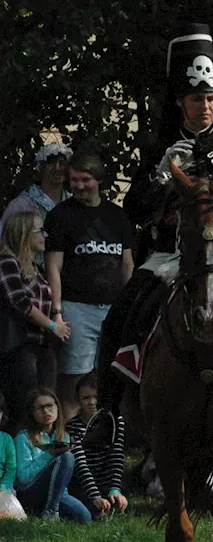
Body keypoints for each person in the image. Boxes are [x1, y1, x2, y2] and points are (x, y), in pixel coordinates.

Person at [83, 23, 213, 450]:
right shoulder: (161, 148)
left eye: (211, 98)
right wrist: (160, 176)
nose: (204, 107)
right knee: (123, 313)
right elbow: (133, 208)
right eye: (196, 99)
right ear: (181, 102)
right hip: (171, 258)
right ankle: (108, 413)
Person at [42, 151, 135, 414]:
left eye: (85, 180)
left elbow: (127, 264)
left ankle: (107, 439)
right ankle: (69, 443)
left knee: (112, 375)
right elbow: (53, 266)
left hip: (114, 308)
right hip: (76, 308)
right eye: (74, 180)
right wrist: (57, 312)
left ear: (99, 180)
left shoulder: (116, 217)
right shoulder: (61, 215)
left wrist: (128, 305)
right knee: (74, 378)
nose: (79, 186)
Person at [0, 211, 69, 412]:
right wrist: (53, 326)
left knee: (47, 406)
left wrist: (58, 325)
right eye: (39, 230)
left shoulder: (35, 267)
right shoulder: (7, 261)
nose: (45, 235)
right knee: (25, 408)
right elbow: (19, 301)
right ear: (23, 234)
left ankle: (41, 444)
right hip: (19, 347)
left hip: (42, 345)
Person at [13, 387, 90, 522]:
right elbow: (23, 478)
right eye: (40, 408)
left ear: (57, 407)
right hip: (30, 492)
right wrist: (48, 454)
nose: (46, 411)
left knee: (84, 517)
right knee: (66, 457)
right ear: (32, 412)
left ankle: (50, 507)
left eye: (50, 406)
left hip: (58, 493)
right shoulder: (23, 437)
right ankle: (51, 512)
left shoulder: (63, 436)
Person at [68, 373, 127, 516]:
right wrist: (95, 496)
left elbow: (117, 455)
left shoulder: (115, 421)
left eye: (96, 397)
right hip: (84, 486)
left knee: (118, 507)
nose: (92, 402)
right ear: (78, 400)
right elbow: (80, 464)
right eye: (86, 398)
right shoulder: (73, 426)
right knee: (93, 512)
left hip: (107, 482)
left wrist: (115, 488)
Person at [2, 141, 72, 238]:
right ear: (41, 167)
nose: (57, 168)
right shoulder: (22, 204)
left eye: (62, 163)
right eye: (51, 162)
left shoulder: (73, 202)